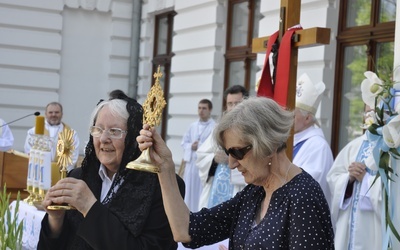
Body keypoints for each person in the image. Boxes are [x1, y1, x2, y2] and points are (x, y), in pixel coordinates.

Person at [137, 97, 335, 249]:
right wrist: (165, 168)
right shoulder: (255, 193)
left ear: (268, 145)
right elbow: (187, 231)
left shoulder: (303, 198)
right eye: (228, 153)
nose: (231, 164)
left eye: (238, 152)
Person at [38, 90, 185, 249]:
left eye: (114, 131)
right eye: (98, 130)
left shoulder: (162, 186)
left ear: (135, 137)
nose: (103, 139)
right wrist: (55, 220)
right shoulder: (78, 177)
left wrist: (89, 206)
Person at [327, 130, 382, 249]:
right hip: (348, 226)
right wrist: (349, 178)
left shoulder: (393, 149)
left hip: (374, 229)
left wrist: (366, 180)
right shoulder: (354, 146)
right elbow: (333, 178)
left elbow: (394, 192)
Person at [196, 85, 249, 210]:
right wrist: (214, 159)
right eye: (230, 104)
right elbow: (201, 156)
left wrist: (234, 158)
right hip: (216, 187)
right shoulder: (219, 128)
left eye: (237, 103)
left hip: (240, 188)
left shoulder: (251, 131)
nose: (233, 107)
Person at [292, 73, 334, 207]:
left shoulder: (317, 146)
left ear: (307, 118)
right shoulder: (290, 141)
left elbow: (307, 187)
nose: (286, 118)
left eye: (292, 115)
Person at [181, 99, 215, 211]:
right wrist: (191, 146)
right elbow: (184, 142)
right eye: (199, 108)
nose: (201, 111)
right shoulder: (192, 126)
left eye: (204, 108)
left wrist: (199, 146)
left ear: (210, 110)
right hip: (191, 166)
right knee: (189, 191)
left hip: (203, 167)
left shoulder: (214, 127)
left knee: (200, 193)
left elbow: (214, 146)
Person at [24, 102, 80, 172]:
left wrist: (62, 171)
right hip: (40, 171)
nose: (53, 115)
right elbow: (29, 151)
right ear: (46, 114)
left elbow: (73, 155)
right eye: (50, 112)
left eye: (57, 112)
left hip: (62, 173)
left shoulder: (71, 133)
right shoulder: (34, 132)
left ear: (62, 114)